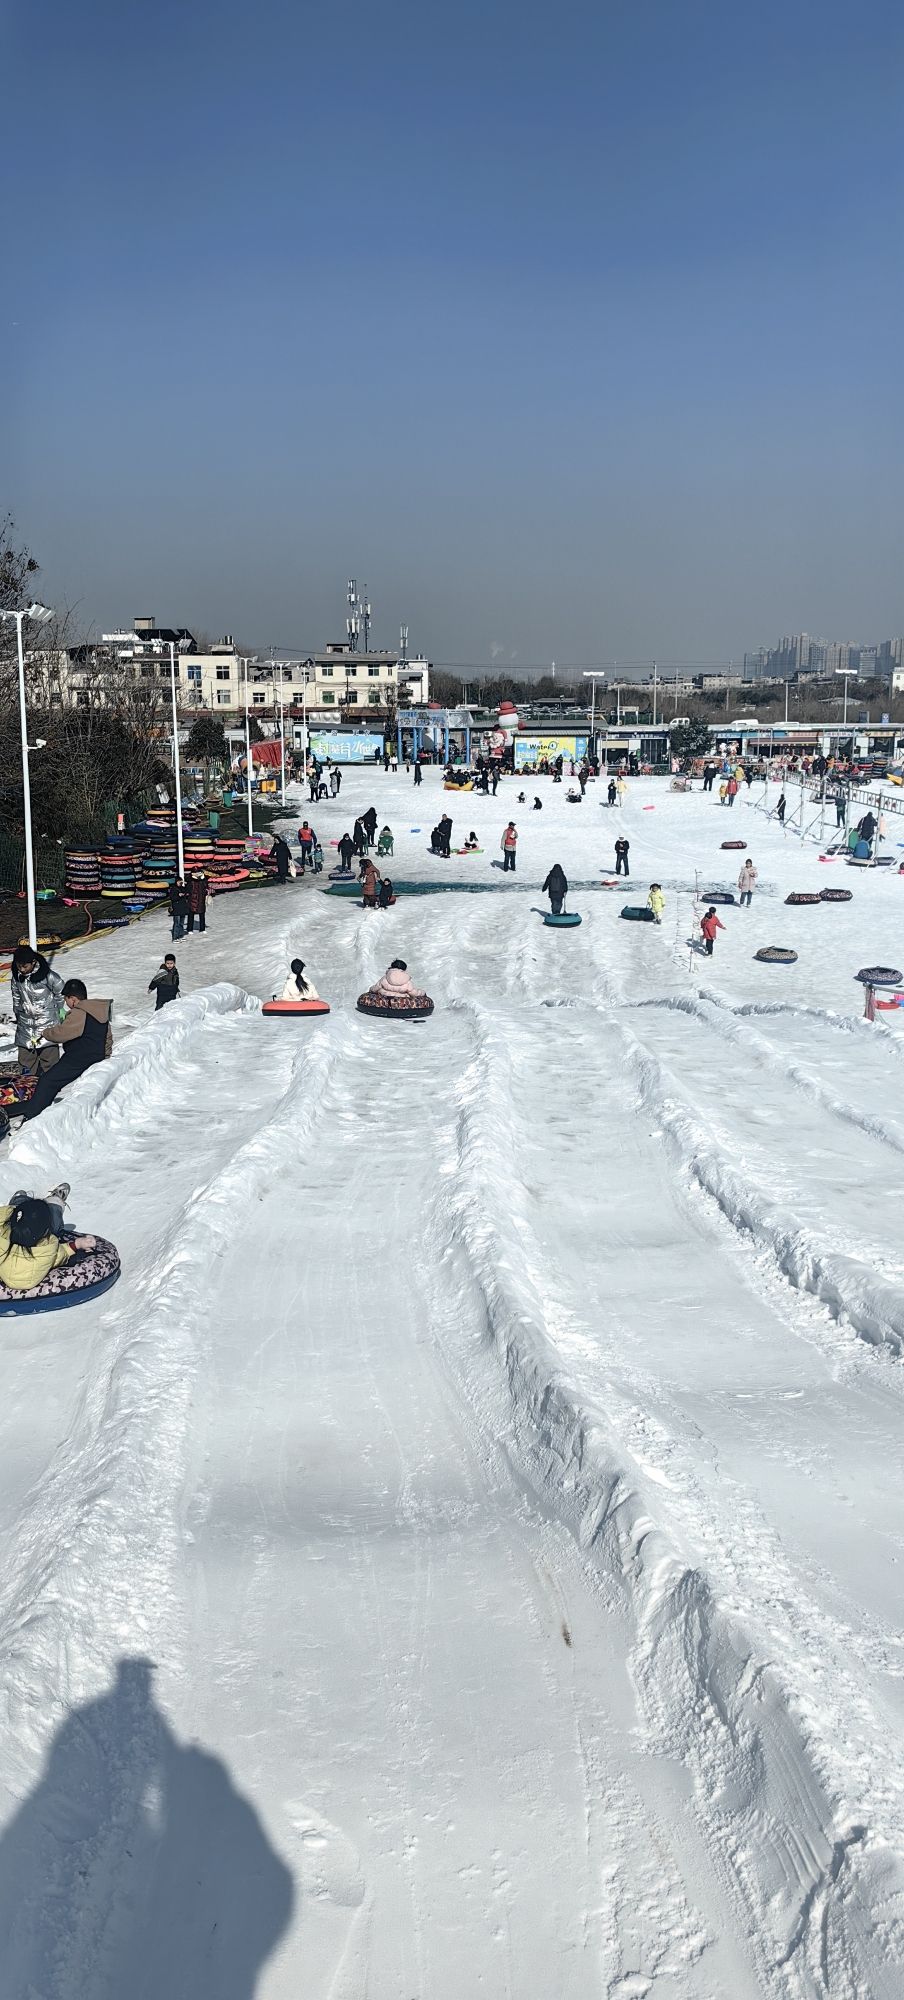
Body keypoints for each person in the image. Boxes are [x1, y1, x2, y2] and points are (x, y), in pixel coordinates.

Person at [19, 981, 113, 1121]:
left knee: (48, 1081)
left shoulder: (80, 1012)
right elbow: (108, 1037)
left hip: (78, 1058)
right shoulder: (99, 1010)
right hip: (96, 1055)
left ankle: (31, 1117)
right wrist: (105, 1055)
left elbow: (61, 1034)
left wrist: (45, 1033)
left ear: (73, 999)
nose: (66, 1003)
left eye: (66, 999)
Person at [0, 1195, 98, 1294]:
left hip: (15, 1219)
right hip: (32, 1225)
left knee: (23, 1206)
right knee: (53, 1222)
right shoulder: (47, 1251)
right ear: (45, 1232)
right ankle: (54, 1202)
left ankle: (19, 1200)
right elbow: (62, 1254)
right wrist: (77, 1244)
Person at [5, 947, 63, 1076]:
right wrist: (18, 1011)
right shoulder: (17, 978)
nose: (22, 969)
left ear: (33, 962)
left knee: (50, 1062)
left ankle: (50, 1089)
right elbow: (16, 996)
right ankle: (27, 1090)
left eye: (25, 966)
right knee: (26, 1062)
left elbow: (61, 992)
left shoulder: (48, 976)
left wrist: (60, 1009)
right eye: (19, 966)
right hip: (26, 1025)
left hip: (47, 1024)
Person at [168, 876, 189, 941]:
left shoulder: (183, 888)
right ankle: (175, 937)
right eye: (179, 882)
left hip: (183, 908)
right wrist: (178, 895)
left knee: (181, 923)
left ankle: (181, 935)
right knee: (176, 923)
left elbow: (188, 891)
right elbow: (172, 898)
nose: (180, 883)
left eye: (181, 882)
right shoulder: (173, 889)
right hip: (176, 908)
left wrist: (186, 884)